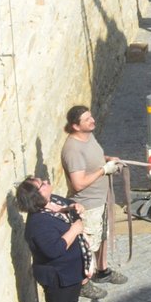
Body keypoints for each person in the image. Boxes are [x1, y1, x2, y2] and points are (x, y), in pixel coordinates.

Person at [16, 177, 103, 302]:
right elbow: (53, 250)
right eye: (42, 183)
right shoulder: (37, 224)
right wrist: (75, 229)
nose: (47, 181)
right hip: (57, 274)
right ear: (37, 194)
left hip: (71, 270)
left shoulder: (53, 200)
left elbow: (68, 204)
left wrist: (76, 206)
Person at [61, 106, 126, 287]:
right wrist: (104, 170)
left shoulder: (88, 137)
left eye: (91, 117)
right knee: (87, 244)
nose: (92, 121)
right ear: (75, 126)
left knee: (102, 236)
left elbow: (93, 157)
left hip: (101, 200)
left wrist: (107, 159)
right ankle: (83, 283)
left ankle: (102, 271)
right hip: (88, 205)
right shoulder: (72, 150)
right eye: (87, 120)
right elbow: (78, 183)